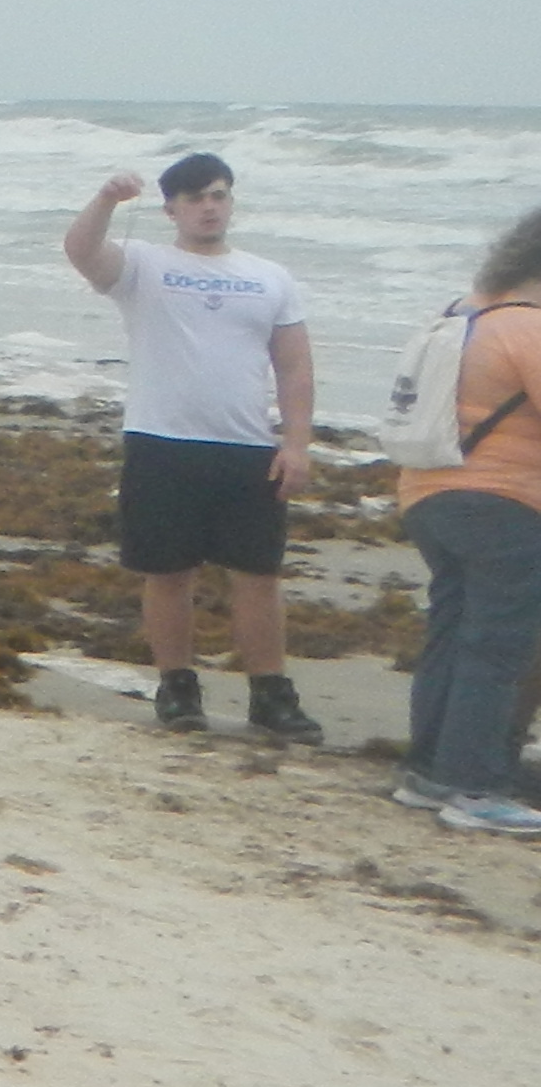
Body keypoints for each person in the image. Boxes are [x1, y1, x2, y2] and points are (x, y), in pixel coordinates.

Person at [62, 152, 322, 739]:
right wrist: (106, 198)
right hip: (162, 441)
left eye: (219, 195)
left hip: (248, 447)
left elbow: (295, 365)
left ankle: (270, 694)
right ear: (171, 209)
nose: (209, 206)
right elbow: (81, 252)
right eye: (197, 197)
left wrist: (297, 444)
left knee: (258, 574)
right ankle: (177, 687)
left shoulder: (269, 276)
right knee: (168, 571)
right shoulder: (144, 265)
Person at [391, 202, 541, 835]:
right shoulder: (528, 327)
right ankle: (474, 786)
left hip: (428, 492)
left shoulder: (461, 313)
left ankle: (429, 772)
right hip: (503, 501)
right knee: (495, 647)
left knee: (451, 635)